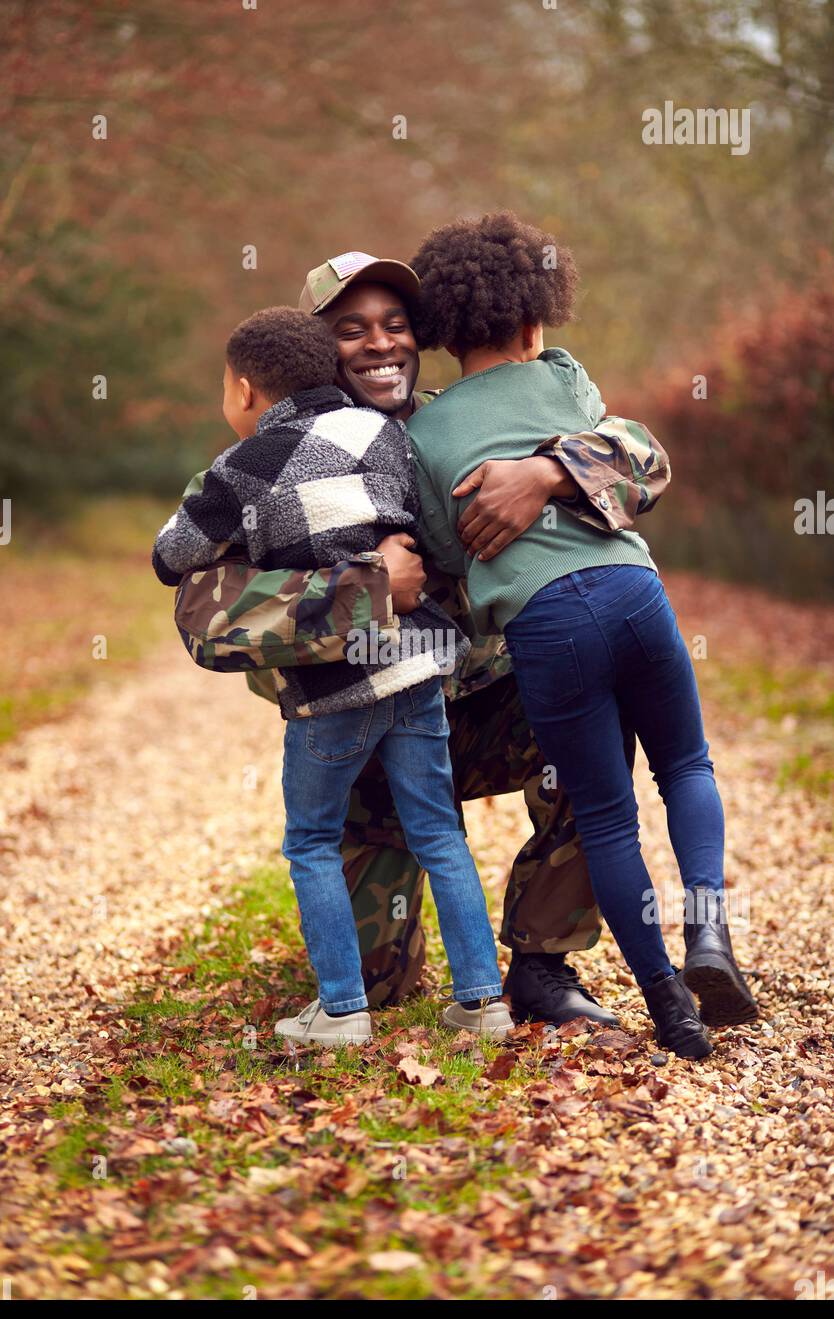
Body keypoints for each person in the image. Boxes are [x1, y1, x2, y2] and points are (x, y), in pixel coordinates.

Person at [171, 251, 672, 1027]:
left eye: (395, 326)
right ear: (310, 353)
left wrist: (551, 473)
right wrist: (370, 590)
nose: (379, 345)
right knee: (377, 989)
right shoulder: (272, 472)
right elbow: (206, 614)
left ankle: (542, 965)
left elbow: (640, 450)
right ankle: (378, 973)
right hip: (366, 743)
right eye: (350, 330)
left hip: (489, 708)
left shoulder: (468, 419)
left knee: (594, 721)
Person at [404, 211, 759, 1059]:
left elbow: (453, 552)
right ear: (535, 319)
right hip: (636, 591)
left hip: (546, 624)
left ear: (446, 333)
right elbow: (621, 463)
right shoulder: (564, 374)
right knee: (686, 765)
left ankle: (669, 1009)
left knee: (604, 815)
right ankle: (709, 935)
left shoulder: (422, 435)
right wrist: (559, 470)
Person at [152, 305, 512, 1046]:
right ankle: (483, 1003)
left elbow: (172, 556)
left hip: (331, 690)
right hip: (413, 667)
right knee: (441, 834)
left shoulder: (243, 464)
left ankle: (342, 1011)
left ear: (246, 389)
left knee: (310, 841)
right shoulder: (383, 431)